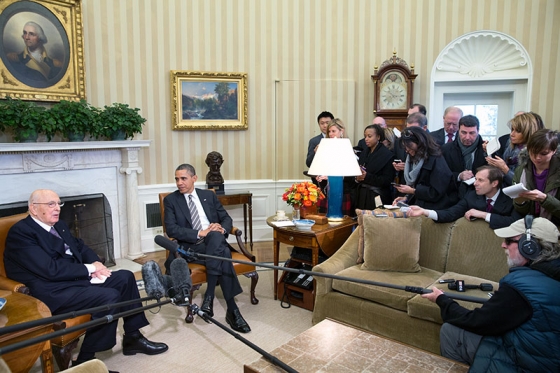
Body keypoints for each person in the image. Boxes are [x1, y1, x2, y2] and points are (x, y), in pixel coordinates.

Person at [4, 189, 168, 370]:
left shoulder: (58, 225)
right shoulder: (21, 233)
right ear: (33, 209)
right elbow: (50, 270)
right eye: (51, 204)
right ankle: (85, 360)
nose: (57, 208)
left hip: (73, 279)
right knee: (109, 296)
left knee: (125, 277)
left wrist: (97, 264)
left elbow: (80, 247)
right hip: (50, 291)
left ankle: (133, 337)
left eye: (59, 203)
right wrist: (89, 269)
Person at [422, 217, 560, 372]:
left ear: (529, 247)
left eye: (509, 241)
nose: (503, 245)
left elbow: (477, 322)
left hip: (528, 364)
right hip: (543, 356)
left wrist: (442, 300)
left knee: (451, 332)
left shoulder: (522, 288)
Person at [163, 163, 251, 333]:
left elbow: (226, 218)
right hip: (190, 248)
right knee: (223, 252)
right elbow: (172, 230)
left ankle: (211, 297)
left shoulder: (208, 196)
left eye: (183, 178)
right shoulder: (171, 200)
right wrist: (200, 233)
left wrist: (222, 228)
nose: (179, 183)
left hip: (212, 242)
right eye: (177, 179)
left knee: (217, 236)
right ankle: (232, 310)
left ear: (194, 178)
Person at [407, 165, 521, 229]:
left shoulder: (510, 197)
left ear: (494, 183)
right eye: (475, 179)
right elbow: (450, 213)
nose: (475, 183)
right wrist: (425, 212)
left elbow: (514, 222)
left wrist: (484, 215)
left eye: (480, 180)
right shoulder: (472, 196)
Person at [393, 126, 457, 209]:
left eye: (409, 146)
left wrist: (412, 191)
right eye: (405, 147)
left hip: (437, 208)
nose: (407, 150)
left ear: (420, 142)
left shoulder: (435, 160)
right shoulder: (414, 159)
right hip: (421, 206)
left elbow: (436, 192)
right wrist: (406, 198)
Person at [513, 129, 560, 226]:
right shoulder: (521, 170)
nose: (537, 157)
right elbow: (520, 210)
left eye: (544, 153)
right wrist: (520, 202)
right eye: (533, 152)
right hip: (529, 225)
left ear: (554, 150)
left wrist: (545, 199)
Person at [486, 112, 543, 186]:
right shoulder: (510, 146)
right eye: (512, 129)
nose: (512, 134)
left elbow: (524, 185)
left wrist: (505, 169)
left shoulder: (536, 155)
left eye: (518, 131)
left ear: (528, 132)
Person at [315, 119, 356, 216]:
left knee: (341, 224)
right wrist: (320, 175)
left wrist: (329, 176)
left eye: (333, 131)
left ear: (341, 131)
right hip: (327, 190)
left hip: (343, 191)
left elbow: (350, 174)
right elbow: (323, 166)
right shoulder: (326, 147)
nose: (331, 134)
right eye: (329, 131)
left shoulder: (347, 148)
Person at [442, 115, 488, 197]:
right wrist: (459, 176)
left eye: (472, 133)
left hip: (480, 196)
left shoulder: (486, 149)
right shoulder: (446, 149)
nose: (467, 137)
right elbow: (441, 174)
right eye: (463, 132)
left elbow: (493, 174)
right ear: (458, 130)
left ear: (478, 131)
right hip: (452, 195)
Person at [355, 124, 395, 208]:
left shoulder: (387, 155)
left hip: (377, 195)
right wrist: (357, 178)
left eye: (369, 136)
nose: (366, 139)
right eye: (365, 136)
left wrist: (367, 176)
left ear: (378, 137)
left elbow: (387, 180)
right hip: (362, 194)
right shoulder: (364, 153)